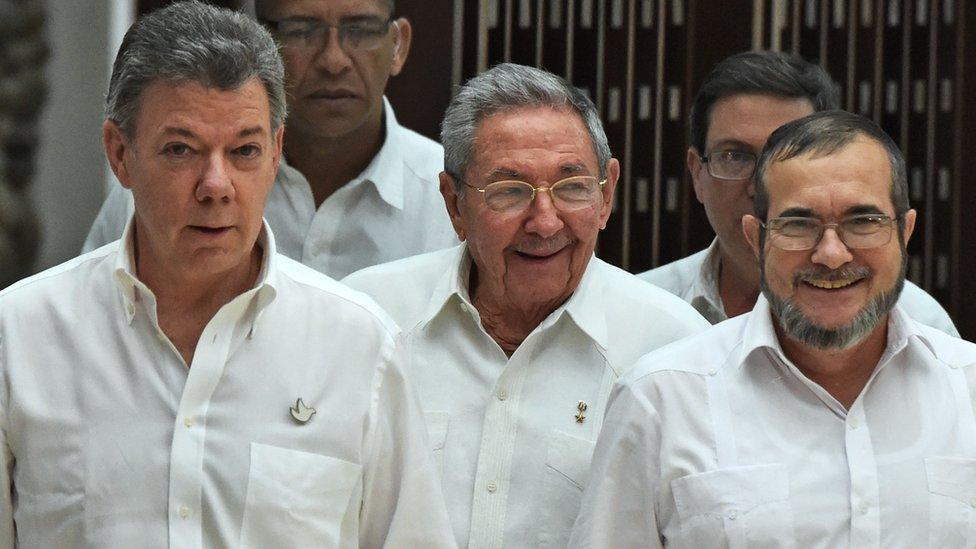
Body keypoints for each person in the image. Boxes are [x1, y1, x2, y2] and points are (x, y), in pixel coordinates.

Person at [0, 3, 454, 546]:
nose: (216, 184)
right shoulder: (21, 336)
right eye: (181, 150)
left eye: (244, 151)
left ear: (275, 152)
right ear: (120, 154)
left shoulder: (359, 347)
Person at [343, 63, 709, 548]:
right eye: (510, 191)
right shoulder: (369, 320)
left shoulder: (675, 349)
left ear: (606, 195)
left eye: (572, 187)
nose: (544, 222)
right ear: (454, 204)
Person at [570, 111, 976, 548]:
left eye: (863, 221)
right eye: (799, 224)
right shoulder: (663, 398)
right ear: (755, 239)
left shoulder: (968, 387)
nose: (832, 254)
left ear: (905, 231)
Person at [82, 0, 457, 279]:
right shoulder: (159, 190)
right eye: (301, 30)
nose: (334, 60)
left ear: (398, 45)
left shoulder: (451, 200)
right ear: (256, 40)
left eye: (359, 30)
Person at [637, 51, 959, 336]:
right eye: (734, 156)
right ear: (697, 173)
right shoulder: (642, 310)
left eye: (786, 154)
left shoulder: (920, 324)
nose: (758, 186)